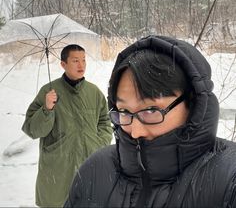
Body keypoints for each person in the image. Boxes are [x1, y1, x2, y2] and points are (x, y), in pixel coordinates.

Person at [64, 35, 236, 208]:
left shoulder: (229, 181)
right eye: (124, 111)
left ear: (192, 104)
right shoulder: (95, 170)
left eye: (151, 110)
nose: (135, 131)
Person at [22, 44, 113, 208]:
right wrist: (47, 108)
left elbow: (105, 122)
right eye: (75, 61)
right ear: (63, 64)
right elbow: (32, 129)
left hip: (89, 164)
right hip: (58, 169)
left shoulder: (94, 92)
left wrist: (99, 143)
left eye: (84, 60)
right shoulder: (48, 92)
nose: (81, 65)